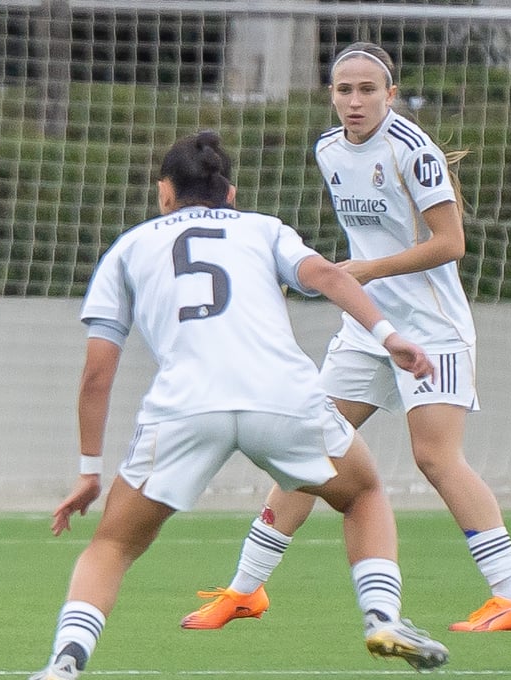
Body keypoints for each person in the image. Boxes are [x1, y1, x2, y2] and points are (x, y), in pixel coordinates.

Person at [29, 130, 449, 680]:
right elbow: (324, 275)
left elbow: (96, 375)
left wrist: (89, 471)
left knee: (112, 545)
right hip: (281, 397)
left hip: (186, 407)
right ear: (231, 194)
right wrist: (390, 336)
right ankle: (381, 618)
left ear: (163, 193)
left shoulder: (130, 248)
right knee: (363, 493)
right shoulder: (263, 229)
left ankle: (65, 665)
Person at [179, 42, 511, 634]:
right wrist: (348, 281)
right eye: (344, 90)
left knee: (435, 457)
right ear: (331, 95)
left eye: (368, 90)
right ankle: (245, 590)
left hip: (433, 329)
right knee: (306, 444)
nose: (355, 100)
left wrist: (362, 271)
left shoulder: (412, 151)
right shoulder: (328, 149)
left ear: (390, 96)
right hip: (367, 329)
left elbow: (450, 244)